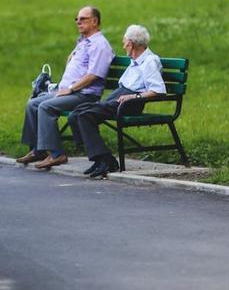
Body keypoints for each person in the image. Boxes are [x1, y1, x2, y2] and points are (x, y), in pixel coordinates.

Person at [17, 6, 115, 169]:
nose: (78, 22)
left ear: (94, 21)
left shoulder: (100, 45)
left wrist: (70, 89)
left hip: (84, 94)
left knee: (46, 107)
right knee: (33, 103)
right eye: (77, 19)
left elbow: (93, 75)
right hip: (71, 91)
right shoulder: (84, 42)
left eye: (83, 19)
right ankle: (38, 150)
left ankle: (57, 154)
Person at [68, 24, 166, 179]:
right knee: (76, 113)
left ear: (131, 44)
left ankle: (105, 160)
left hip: (130, 103)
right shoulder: (135, 60)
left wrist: (133, 97)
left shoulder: (149, 61)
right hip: (119, 98)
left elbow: (158, 90)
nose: (123, 45)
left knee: (85, 116)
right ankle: (101, 158)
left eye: (124, 42)